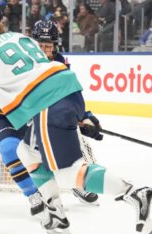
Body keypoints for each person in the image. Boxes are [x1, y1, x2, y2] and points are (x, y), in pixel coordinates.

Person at [0, 5, 152, 234]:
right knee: (26, 152)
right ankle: (55, 214)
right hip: (66, 91)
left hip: (44, 105)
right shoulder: (20, 37)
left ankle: (136, 193)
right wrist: (83, 115)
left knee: (67, 173)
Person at [30, 19, 100, 205]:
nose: (45, 49)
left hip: (50, 116)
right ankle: (37, 189)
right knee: (30, 150)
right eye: (41, 45)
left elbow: (69, 94)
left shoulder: (60, 63)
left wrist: (85, 116)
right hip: (27, 117)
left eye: (49, 45)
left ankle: (79, 183)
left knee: (77, 140)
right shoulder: (26, 63)